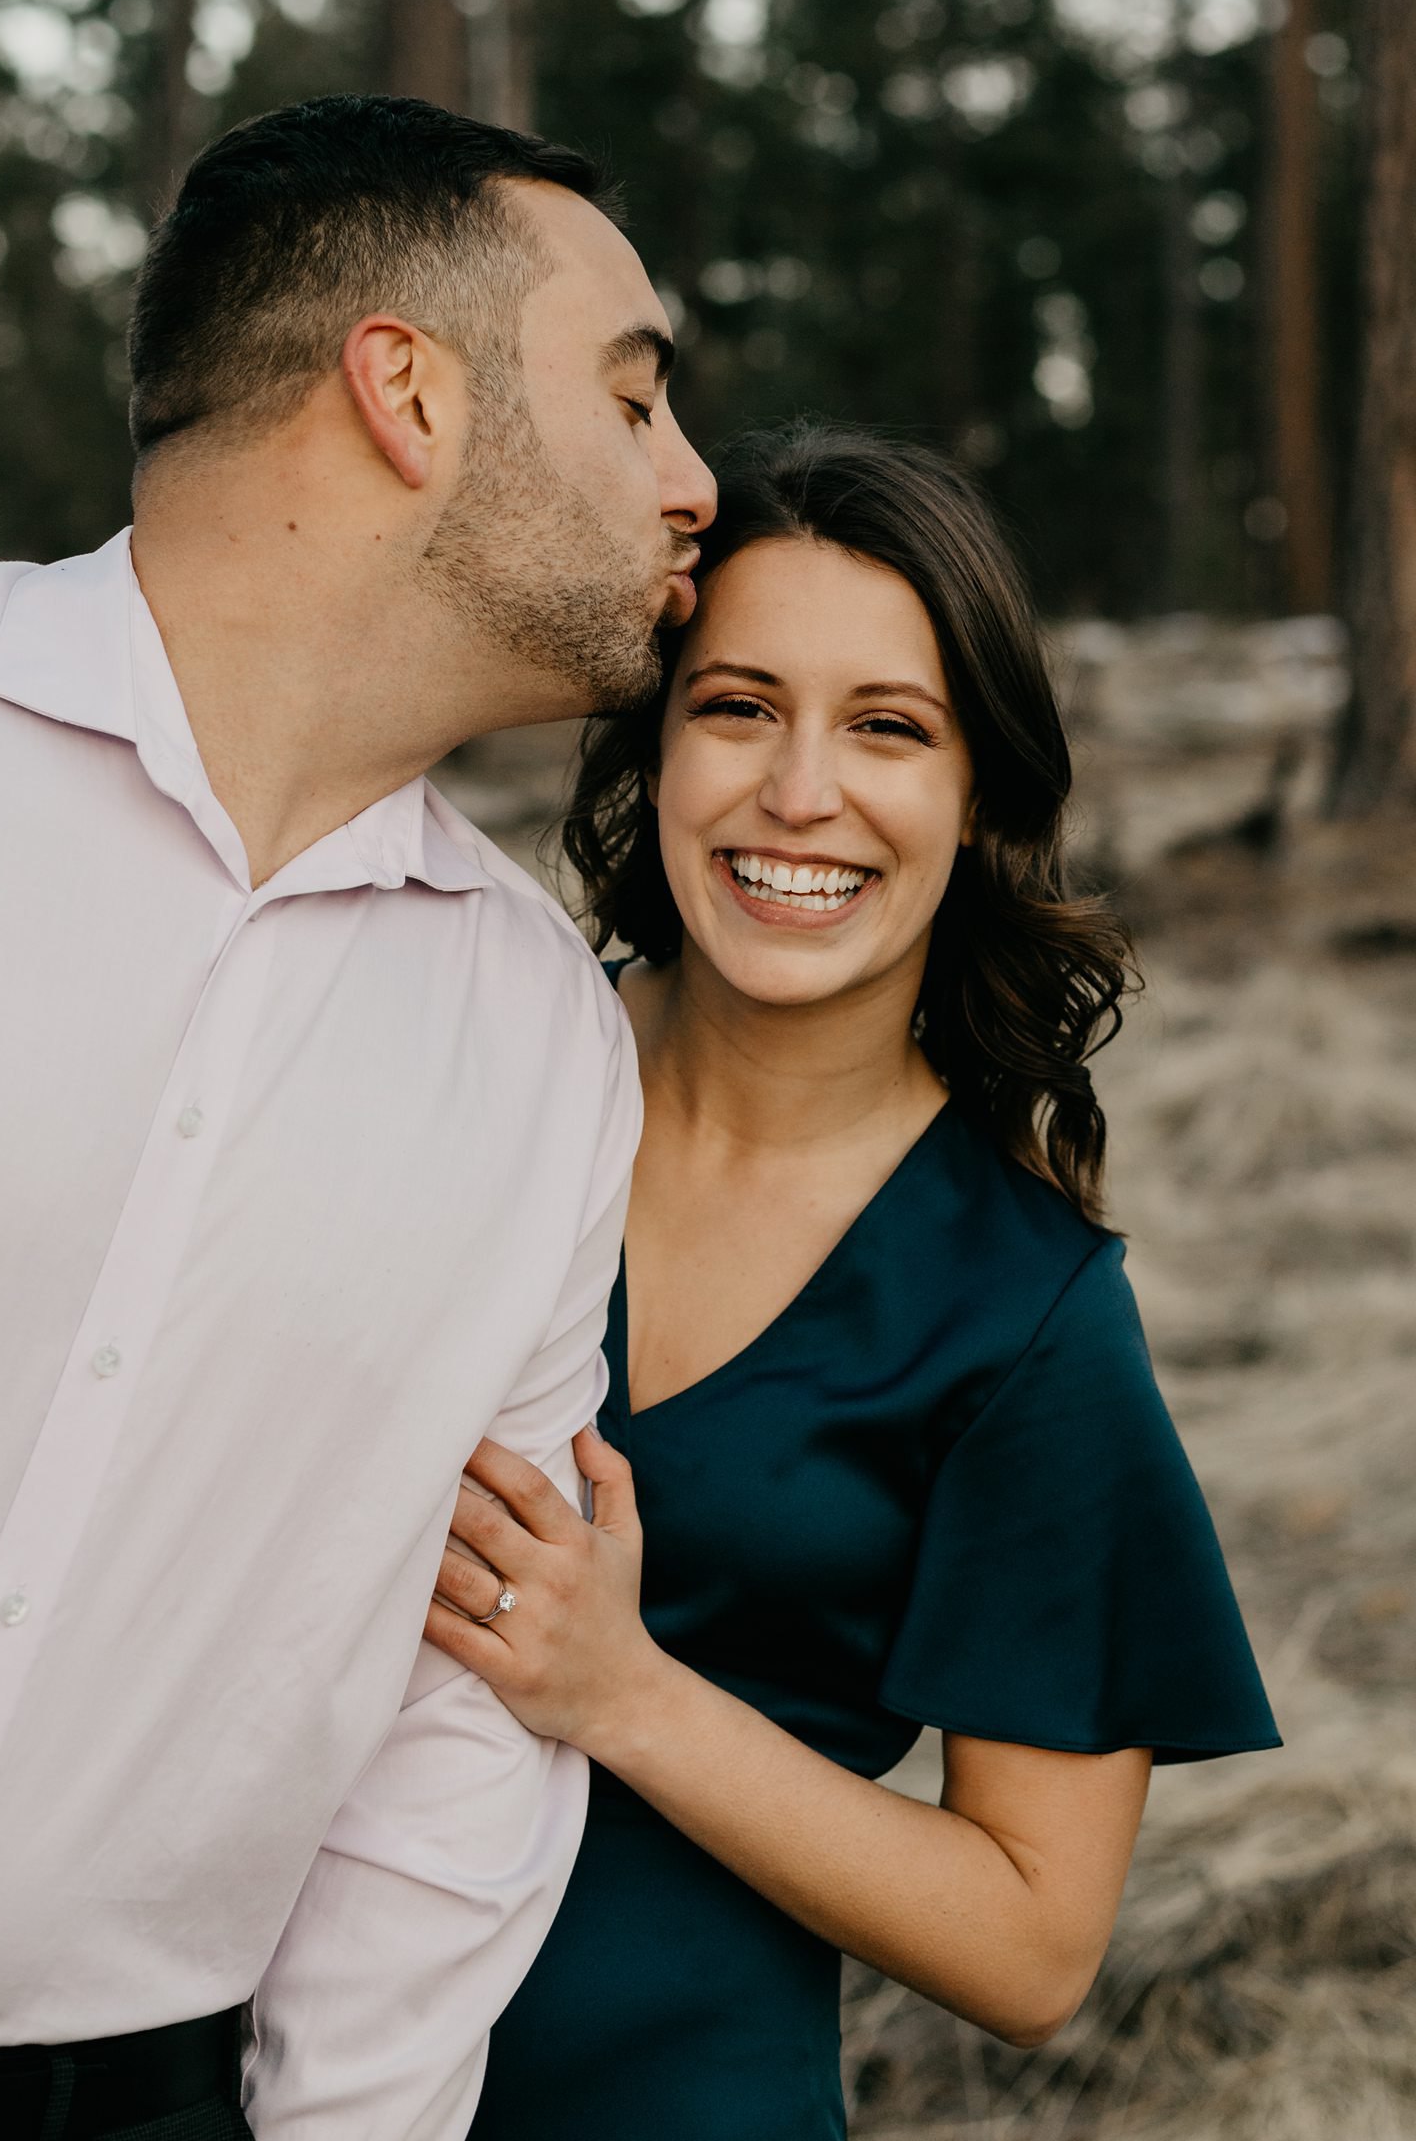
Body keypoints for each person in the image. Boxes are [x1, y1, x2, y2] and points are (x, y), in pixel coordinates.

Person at [0, 93, 715, 2141]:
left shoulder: (535, 1036)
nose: (693, 486)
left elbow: (450, 1713)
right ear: (404, 386)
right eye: (633, 394)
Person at [426, 426, 1281, 2141]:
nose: (800, 792)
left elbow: (1037, 1945)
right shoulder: (457, 1069)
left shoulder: (1016, 1308)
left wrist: (629, 1697)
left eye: (889, 727)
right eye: (739, 704)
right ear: (653, 748)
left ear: (978, 806)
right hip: (216, 2079)